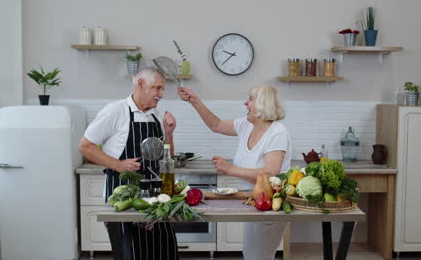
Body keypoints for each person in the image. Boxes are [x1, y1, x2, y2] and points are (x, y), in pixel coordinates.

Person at [178, 85, 292, 260]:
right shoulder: (246, 125)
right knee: (250, 254)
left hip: (270, 203)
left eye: (251, 99)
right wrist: (195, 101)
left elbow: (270, 173)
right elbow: (216, 125)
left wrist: (230, 169)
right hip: (252, 201)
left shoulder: (277, 132)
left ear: (263, 104)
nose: (245, 102)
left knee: (259, 256)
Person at [79, 67, 178, 260]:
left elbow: (168, 157)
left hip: (155, 198)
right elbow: (85, 146)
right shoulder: (116, 111)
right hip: (122, 197)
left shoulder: (156, 115)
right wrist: (118, 165)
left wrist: (169, 134)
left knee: (164, 252)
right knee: (130, 254)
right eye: (157, 88)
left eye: (162, 89)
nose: (161, 94)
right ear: (140, 84)